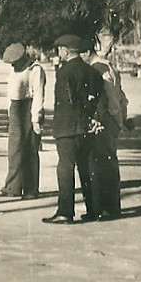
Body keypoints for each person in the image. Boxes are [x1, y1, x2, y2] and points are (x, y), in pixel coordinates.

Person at [42, 34, 105, 225]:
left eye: (59, 49)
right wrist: (88, 118)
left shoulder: (64, 72)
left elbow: (68, 101)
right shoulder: (92, 71)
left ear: (65, 50)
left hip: (67, 127)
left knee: (65, 168)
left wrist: (78, 119)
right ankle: (94, 210)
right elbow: (97, 94)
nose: (58, 52)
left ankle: (65, 212)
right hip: (86, 127)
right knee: (87, 169)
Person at [81, 38, 128, 220]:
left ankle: (107, 208)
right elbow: (122, 96)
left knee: (102, 165)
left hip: (106, 119)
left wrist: (115, 121)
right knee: (107, 163)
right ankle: (109, 207)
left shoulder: (99, 69)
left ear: (87, 53)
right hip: (112, 119)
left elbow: (113, 99)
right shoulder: (109, 66)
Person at [0, 43, 46, 200]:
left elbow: (39, 95)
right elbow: (11, 93)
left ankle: (31, 190)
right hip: (16, 110)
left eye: (16, 62)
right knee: (14, 151)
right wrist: (10, 113)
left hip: (29, 109)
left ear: (24, 58)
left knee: (30, 150)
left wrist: (36, 119)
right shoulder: (14, 70)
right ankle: (12, 187)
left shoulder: (35, 70)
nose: (13, 65)